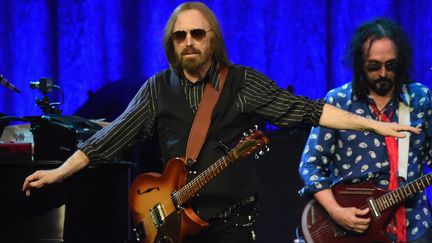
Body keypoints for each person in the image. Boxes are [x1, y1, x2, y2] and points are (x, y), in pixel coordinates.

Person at [23, 3, 418, 242]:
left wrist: (375, 126)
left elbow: (306, 110)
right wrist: (58, 172)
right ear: (171, 44)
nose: (189, 41)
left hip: (231, 224)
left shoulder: (242, 83)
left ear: (212, 39)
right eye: (180, 36)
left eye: (197, 33)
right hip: (175, 222)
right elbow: (110, 138)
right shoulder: (157, 89)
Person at [299, 18, 432, 242]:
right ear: (360, 64)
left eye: (391, 65)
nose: (383, 73)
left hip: (413, 224)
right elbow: (311, 165)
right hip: (354, 225)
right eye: (374, 66)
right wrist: (336, 211)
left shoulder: (420, 98)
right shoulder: (339, 101)